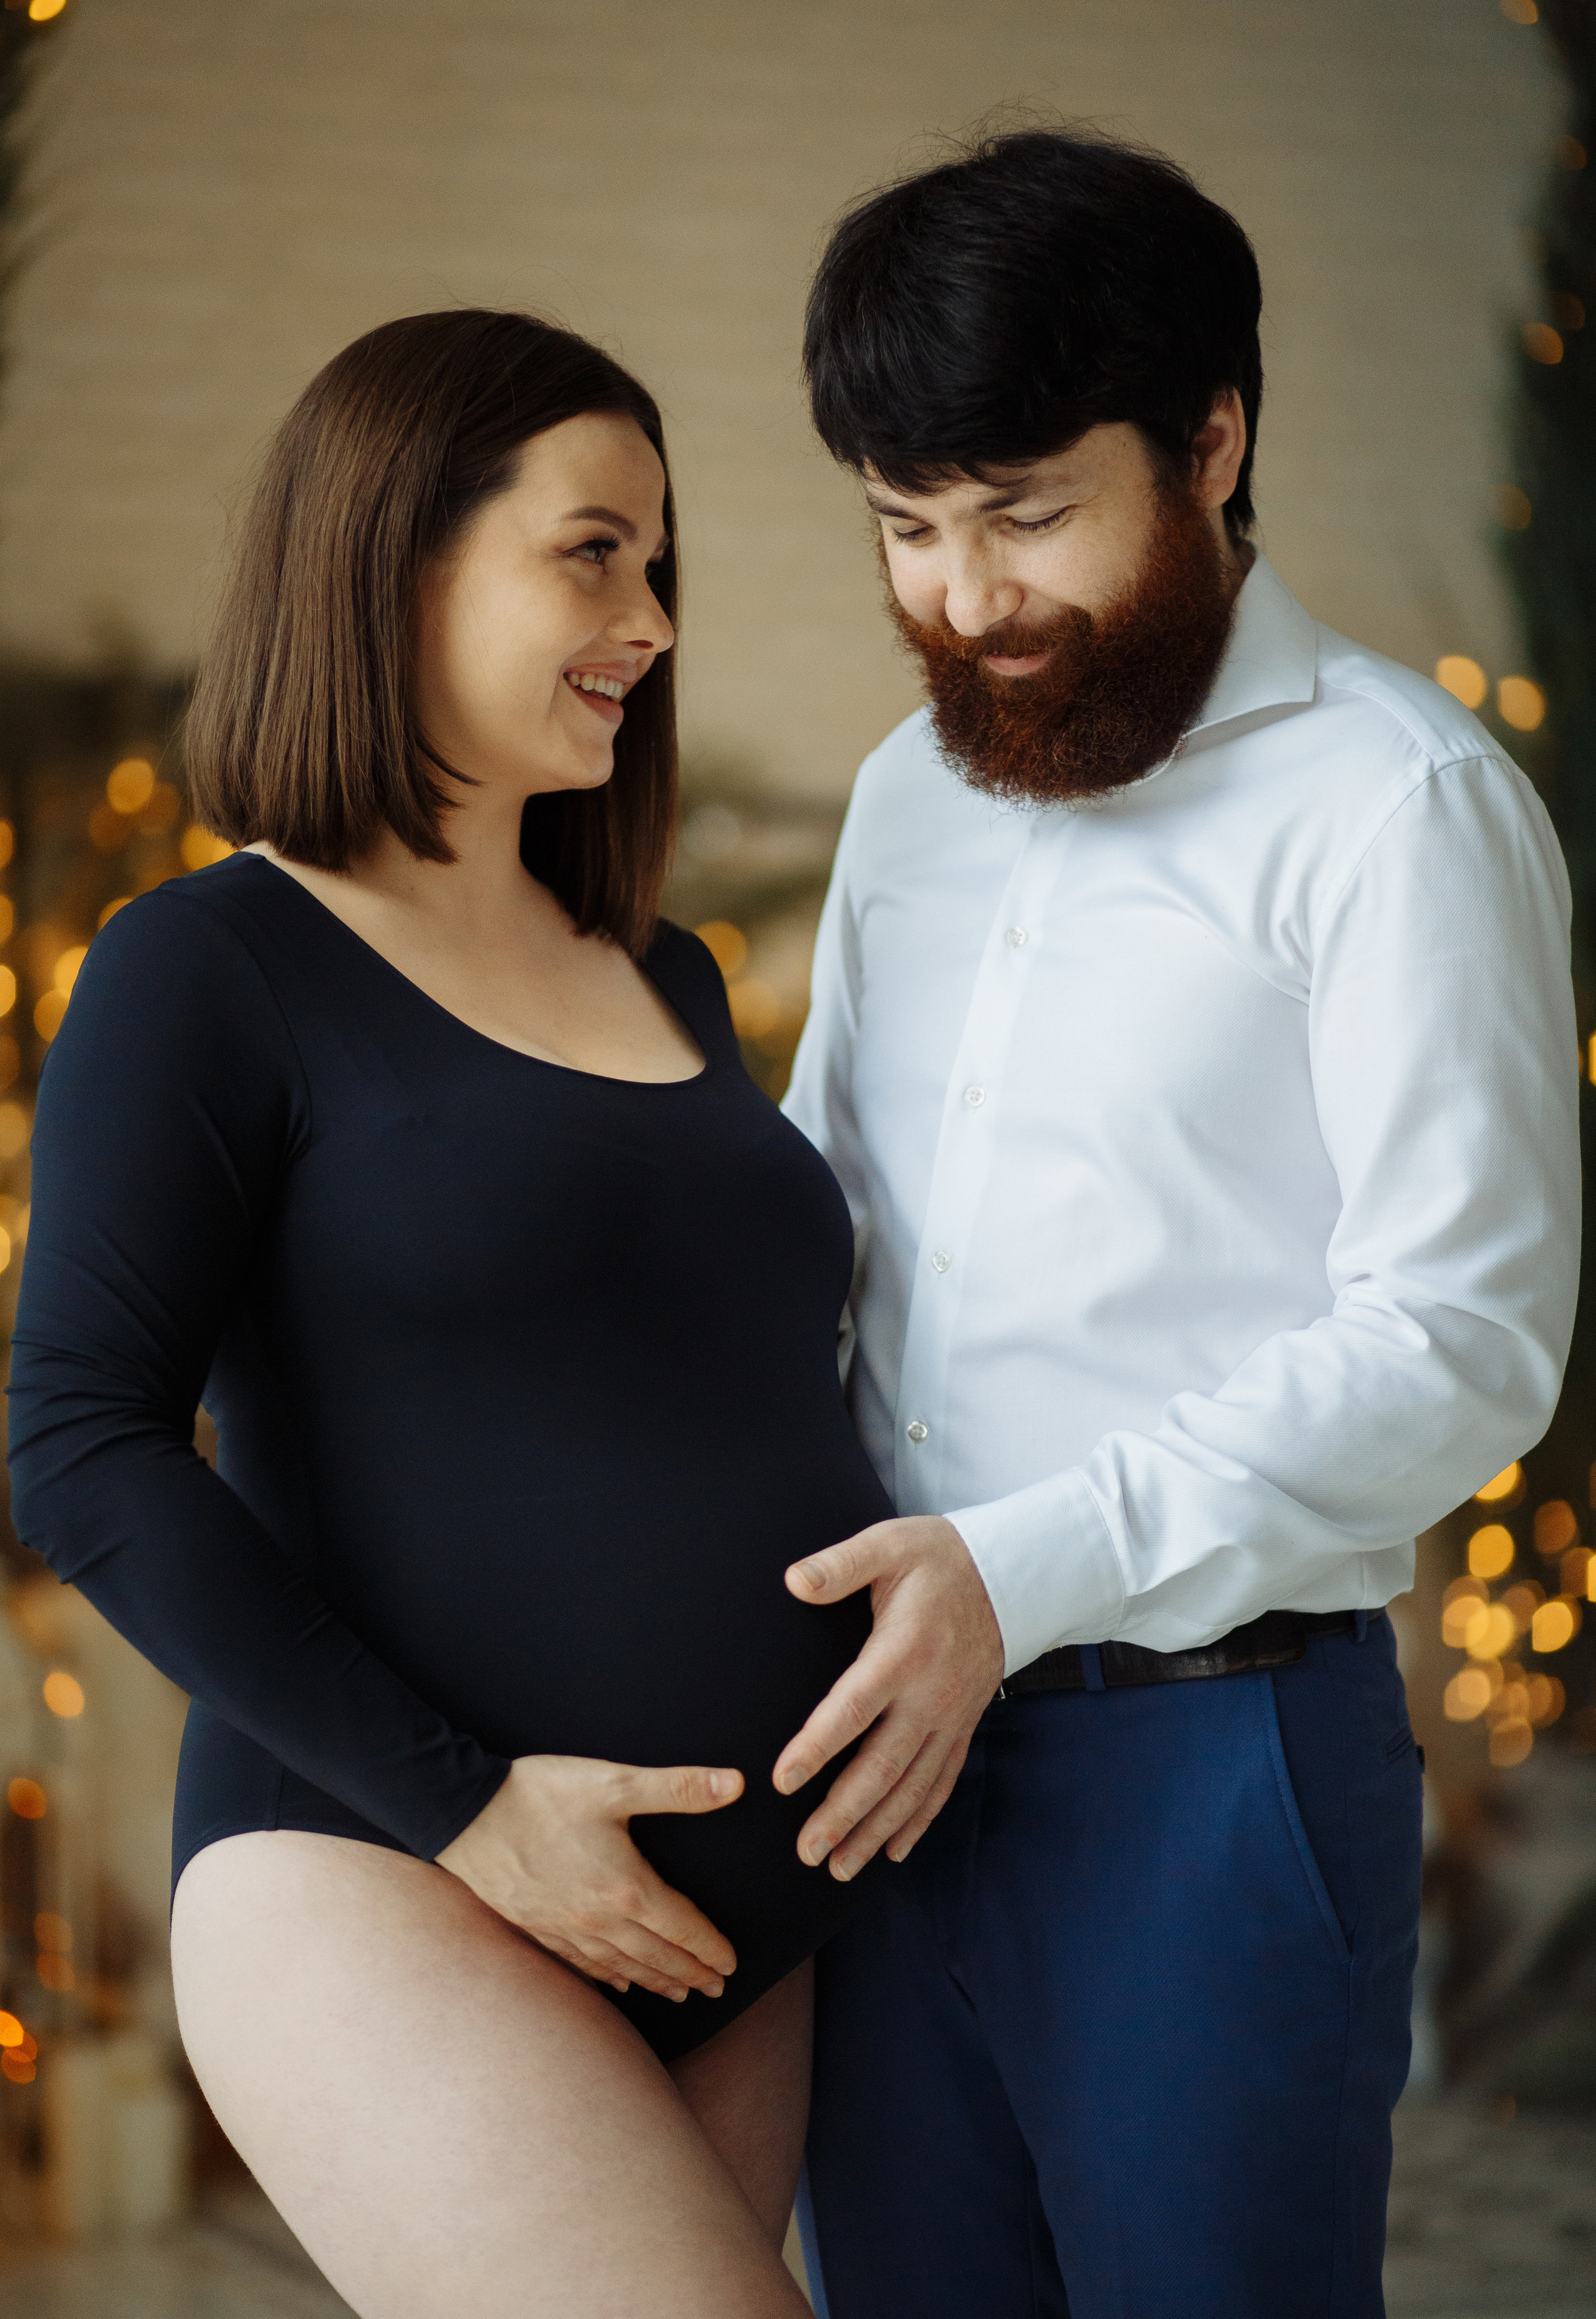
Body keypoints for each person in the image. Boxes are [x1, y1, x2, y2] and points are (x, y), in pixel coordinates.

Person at [7, 308, 893, 2317]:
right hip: (393, 1874)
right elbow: (77, 1444)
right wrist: (472, 1813)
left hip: (743, 1924)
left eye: (661, 566)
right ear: (399, 551)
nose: (651, 618)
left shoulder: (658, 969)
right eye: (593, 551)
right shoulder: (209, 965)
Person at [772, 129, 1580, 2318]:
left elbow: (1461, 1335)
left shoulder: (1397, 806)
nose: (967, 601)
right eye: (907, 529)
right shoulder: (904, 795)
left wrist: (1009, 1579)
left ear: (1213, 441)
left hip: (1205, 1770)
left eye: (1029, 514)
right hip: (871, 1763)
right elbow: (817, 1232)